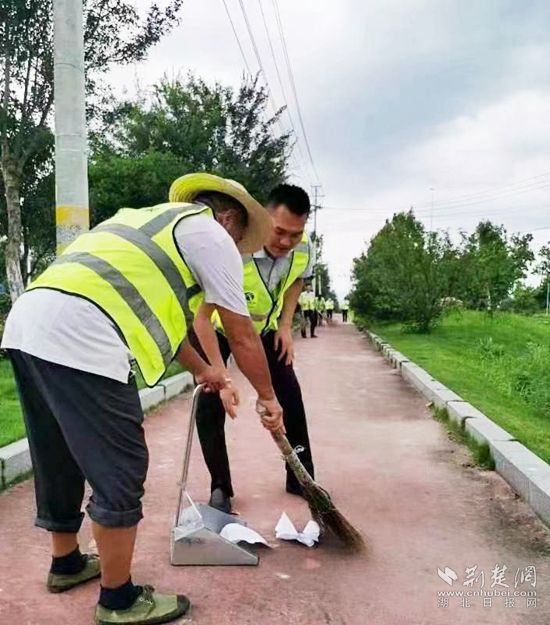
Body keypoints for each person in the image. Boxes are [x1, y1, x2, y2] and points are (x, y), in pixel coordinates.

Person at [1, 173, 284, 625]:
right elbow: (241, 332)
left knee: (58, 454)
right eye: (239, 240)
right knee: (121, 464)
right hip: (82, 332)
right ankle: (119, 599)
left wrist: (205, 370)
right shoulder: (212, 234)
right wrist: (269, 397)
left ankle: (67, 563)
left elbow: (166, 324)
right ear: (229, 218)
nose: (236, 249)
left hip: (29, 323)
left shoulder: (143, 223)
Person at [191, 183, 316, 513]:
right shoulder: (235, 246)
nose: (286, 243)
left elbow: (298, 280)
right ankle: (220, 487)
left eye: (295, 234)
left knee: (289, 395)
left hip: (264, 329)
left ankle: (301, 477)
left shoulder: (304, 248)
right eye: (279, 232)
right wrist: (220, 375)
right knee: (209, 401)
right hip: (217, 327)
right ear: (264, 218)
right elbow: (202, 318)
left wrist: (286, 325)